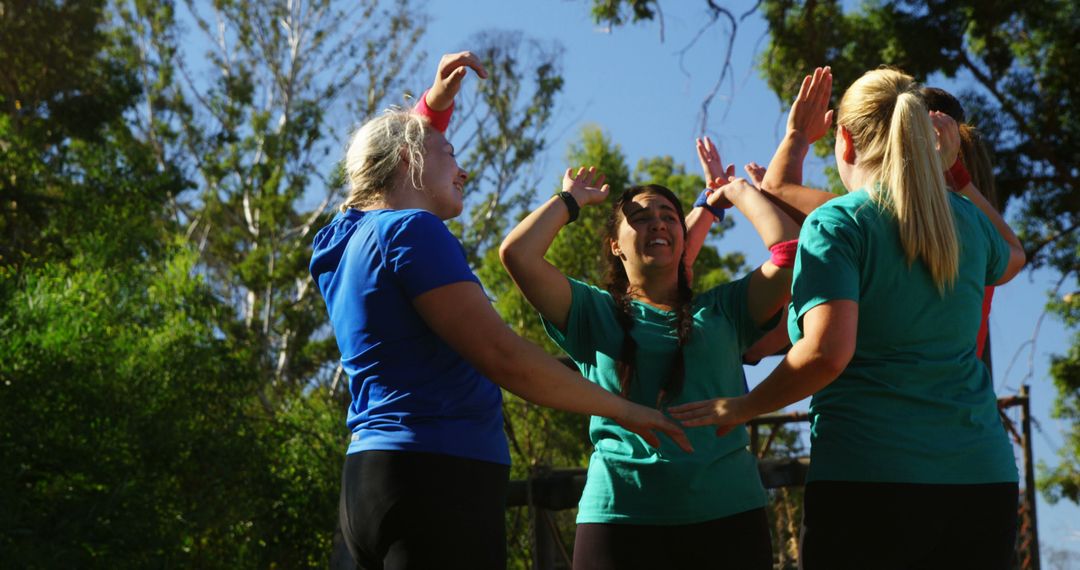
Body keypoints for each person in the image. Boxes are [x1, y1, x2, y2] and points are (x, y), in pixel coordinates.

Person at [309, 51, 690, 570]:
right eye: (450, 153)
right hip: (438, 477)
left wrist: (433, 106)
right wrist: (628, 410)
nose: (462, 170)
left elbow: (381, 170)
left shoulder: (336, 243)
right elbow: (502, 356)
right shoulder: (411, 231)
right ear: (408, 161)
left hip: (367, 483)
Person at [670, 67, 1026, 569]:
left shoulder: (839, 222)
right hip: (982, 480)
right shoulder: (965, 220)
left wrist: (744, 407)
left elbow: (827, 353)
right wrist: (957, 181)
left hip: (871, 481)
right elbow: (1014, 253)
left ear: (844, 139)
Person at [499, 154, 800, 568]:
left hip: (728, 512)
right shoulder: (592, 312)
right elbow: (518, 254)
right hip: (620, 516)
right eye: (638, 217)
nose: (657, 223)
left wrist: (732, 191)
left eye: (669, 216)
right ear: (615, 245)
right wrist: (569, 201)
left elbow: (790, 253)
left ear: (682, 235)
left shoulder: (725, 309)